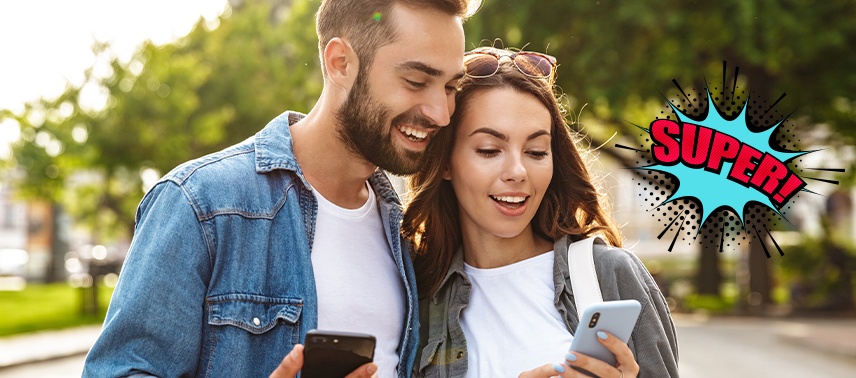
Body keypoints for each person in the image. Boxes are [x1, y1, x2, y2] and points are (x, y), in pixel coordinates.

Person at [83, 1, 480, 377]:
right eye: (416, 81)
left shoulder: (405, 231)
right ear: (340, 63)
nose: (441, 113)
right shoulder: (202, 204)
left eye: (449, 88)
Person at [402, 46, 680, 377]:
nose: (518, 171)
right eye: (490, 150)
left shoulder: (611, 276)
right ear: (445, 161)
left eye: (536, 151)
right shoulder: (415, 296)